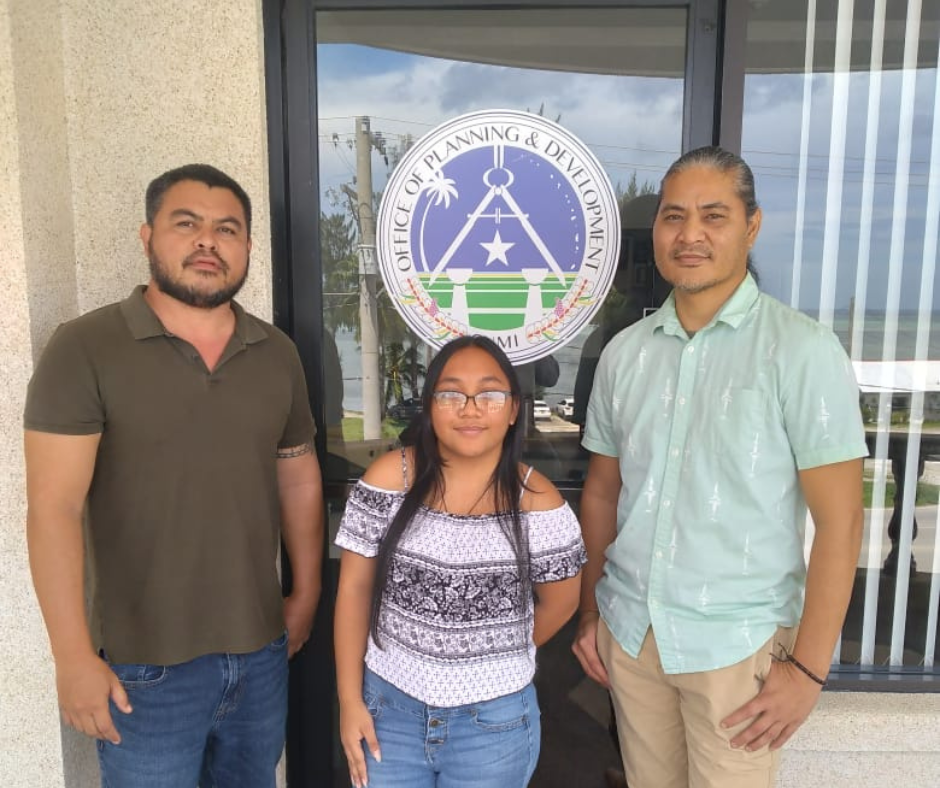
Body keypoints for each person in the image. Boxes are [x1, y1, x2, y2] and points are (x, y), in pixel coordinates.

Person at [572, 146, 867, 788]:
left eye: (714, 215)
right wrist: (594, 614)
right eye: (674, 218)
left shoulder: (802, 351)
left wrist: (809, 672)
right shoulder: (624, 354)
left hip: (739, 648)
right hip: (633, 632)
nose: (691, 235)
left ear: (751, 226)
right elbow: (601, 493)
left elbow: (841, 524)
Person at [24, 163, 324, 787]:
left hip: (261, 653)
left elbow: (297, 477)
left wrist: (307, 592)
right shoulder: (85, 348)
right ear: (147, 235)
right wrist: (72, 657)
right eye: (186, 224)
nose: (207, 242)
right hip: (143, 671)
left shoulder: (277, 354)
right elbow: (54, 508)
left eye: (227, 229)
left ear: (246, 247)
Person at [334, 335, 586, 788]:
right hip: (389, 713)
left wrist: (494, 651)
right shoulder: (390, 479)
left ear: (513, 410)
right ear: (430, 405)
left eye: (489, 394)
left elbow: (562, 602)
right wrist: (349, 701)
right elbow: (353, 590)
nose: (470, 408)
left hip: (494, 726)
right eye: (451, 394)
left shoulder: (539, 502)